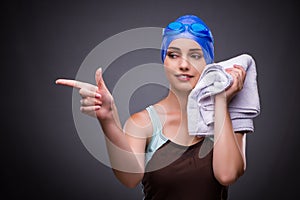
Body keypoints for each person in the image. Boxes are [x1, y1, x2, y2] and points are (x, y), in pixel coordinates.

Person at [56, 14, 247, 199]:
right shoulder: (144, 123)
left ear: (209, 64)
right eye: (173, 55)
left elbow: (227, 174)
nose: (183, 64)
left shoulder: (229, 117)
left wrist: (220, 100)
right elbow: (130, 178)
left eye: (195, 56)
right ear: (164, 60)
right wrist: (108, 119)